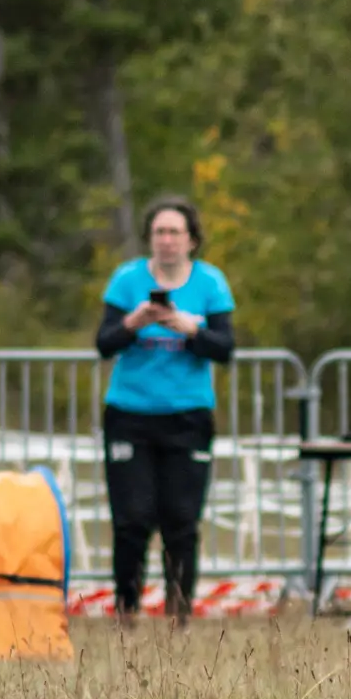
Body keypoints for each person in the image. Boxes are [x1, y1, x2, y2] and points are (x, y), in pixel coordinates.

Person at [93, 196, 235, 623]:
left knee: (181, 519)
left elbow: (225, 348)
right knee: (132, 520)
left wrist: (191, 328)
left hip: (187, 415)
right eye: (160, 232)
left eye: (175, 232)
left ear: (191, 239)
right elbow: (104, 343)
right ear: (149, 238)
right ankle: (126, 610)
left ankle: (179, 614)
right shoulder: (127, 280)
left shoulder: (210, 283)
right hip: (130, 412)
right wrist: (134, 322)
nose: (167, 240)